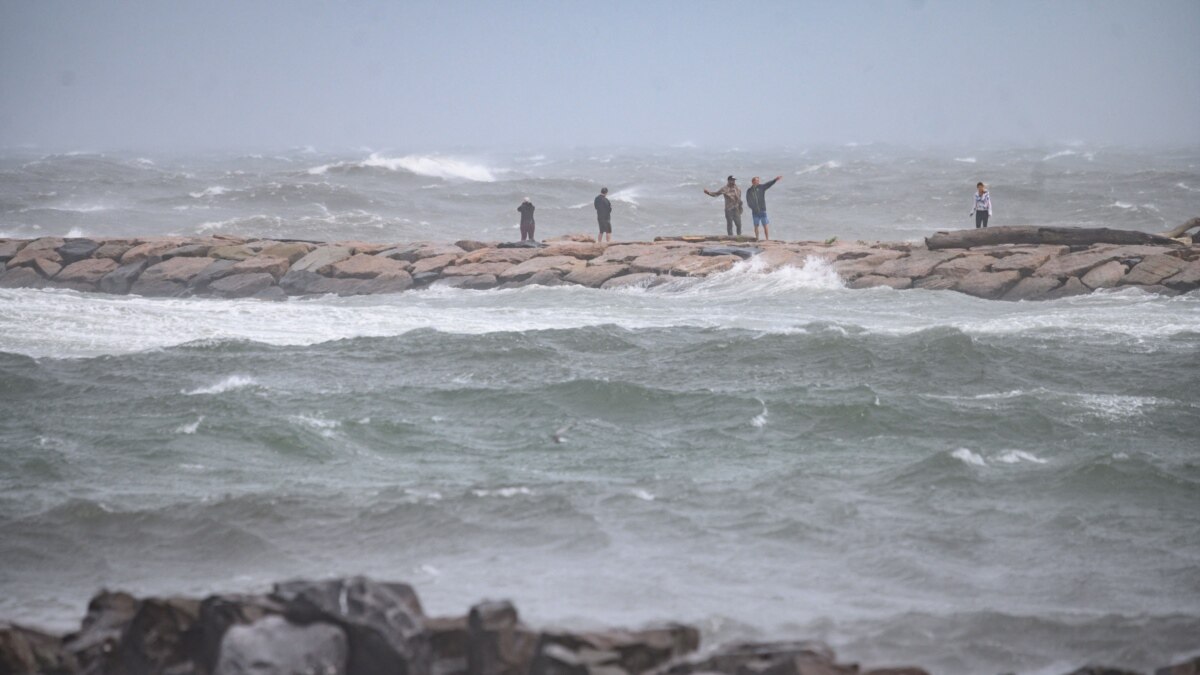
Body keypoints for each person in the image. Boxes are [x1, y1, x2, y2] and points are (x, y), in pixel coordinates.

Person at [745, 175, 782, 240]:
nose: (758, 182)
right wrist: (752, 207)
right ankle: (757, 239)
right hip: (755, 212)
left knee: (765, 225)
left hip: (762, 210)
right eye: (757, 181)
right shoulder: (749, 190)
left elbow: (768, 184)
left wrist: (775, 180)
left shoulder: (761, 187)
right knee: (756, 226)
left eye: (758, 181)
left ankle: (767, 239)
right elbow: (748, 200)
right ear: (753, 182)